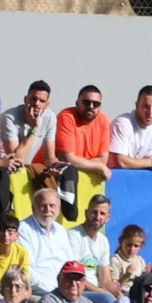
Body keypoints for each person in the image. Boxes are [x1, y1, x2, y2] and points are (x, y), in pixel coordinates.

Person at [54, 86, 113, 216]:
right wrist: (98, 166)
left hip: (82, 188)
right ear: (77, 103)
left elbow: (103, 159)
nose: (91, 106)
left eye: (96, 104)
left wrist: (96, 164)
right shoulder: (66, 116)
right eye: (86, 102)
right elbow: (68, 160)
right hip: (51, 178)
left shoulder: (103, 120)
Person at [66, 195, 117, 303]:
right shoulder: (73, 235)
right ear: (86, 213)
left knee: (126, 302)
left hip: (96, 292)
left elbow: (106, 280)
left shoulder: (103, 241)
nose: (97, 217)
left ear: (108, 218)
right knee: (108, 301)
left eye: (102, 214)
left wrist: (120, 296)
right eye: (94, 212)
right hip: (77, 290)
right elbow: (75, 276)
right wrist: (106, 294)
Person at [18, 187, 75, 295]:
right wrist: (53, 289)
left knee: (105, 300)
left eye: (52, 205)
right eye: (43, 206)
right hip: (41, 289)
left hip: (66, 288)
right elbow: (26, 269)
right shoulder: (23, 229)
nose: (48, 210)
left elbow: (70, 263)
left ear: (58, 208)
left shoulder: (61, 230)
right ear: (33, 209)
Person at [0, 80, 55, 174]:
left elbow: (49, 158)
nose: (37, 104)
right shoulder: (9, 118)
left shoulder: (50, 117)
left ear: (47, 105)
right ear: (25, 99)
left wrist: (56, 166)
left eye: (42, 101)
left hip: (25, 170)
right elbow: (16, 160)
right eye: (33, 99)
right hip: (4, 170)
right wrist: (34, 128)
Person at [108, 86, 152, 170]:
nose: (150, 112)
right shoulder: (122, 123)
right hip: (112, 179)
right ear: (137, 105)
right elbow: (122, 162)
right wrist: (150, 162)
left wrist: (150, 162)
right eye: (146, 106)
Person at [0, 212, 31, 298]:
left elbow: (26, 281)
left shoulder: (22, 252)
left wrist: (23, 296)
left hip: (15, 293)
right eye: (1, 231)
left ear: (17, 235)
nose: (5, 235)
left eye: (10, 232)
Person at [109, 224, 149, 297]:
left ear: (141, 246)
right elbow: (114, 289)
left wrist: (146, 276)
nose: (132, 249)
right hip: (123, 295)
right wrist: (126, 276)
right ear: (121, 241)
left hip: (138, 295)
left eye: (136, 246)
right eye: (129, 245)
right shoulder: (115, 260)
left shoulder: (140, 261)